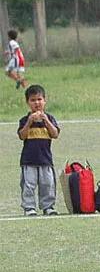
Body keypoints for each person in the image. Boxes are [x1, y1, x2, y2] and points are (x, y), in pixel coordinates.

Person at [17, 84, 59, 215]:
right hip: (29, 160)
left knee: (48, 184)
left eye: (39, 99)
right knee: (28, 184)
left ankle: (48, 206)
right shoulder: (24, 120)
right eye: (33, 100)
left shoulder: (50, 118)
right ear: (28, 102)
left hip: (45, 159)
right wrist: (29, 122)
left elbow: (55, 134)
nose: (37, 103)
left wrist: (46, 120)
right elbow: (22, 136)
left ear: (44, 101)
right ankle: (29, 207)